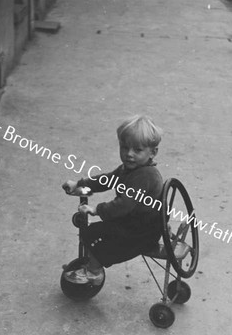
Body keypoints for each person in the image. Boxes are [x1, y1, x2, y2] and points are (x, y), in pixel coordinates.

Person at [62, 115, 164, 284]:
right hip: (133, 222)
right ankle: (90, 264)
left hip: (141, 231)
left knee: (92, 233)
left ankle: (94, 271)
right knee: (92, 232)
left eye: (137, 150)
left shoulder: (145, 176)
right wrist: (79, 184)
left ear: (152, 152)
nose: (129, 154)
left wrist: (97, 210)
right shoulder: (129, 168)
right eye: (124, 147)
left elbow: (124, 205)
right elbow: (107, 180)